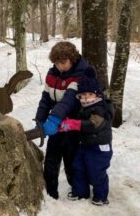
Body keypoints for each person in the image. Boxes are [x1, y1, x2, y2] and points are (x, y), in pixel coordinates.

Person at [35, 41, 90, 199]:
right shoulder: (52, 75)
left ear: (72, 59)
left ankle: (79, 191)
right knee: (51, 157)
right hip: (57, 122)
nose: (60, 66)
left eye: (63, 62)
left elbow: (69, 100)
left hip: (73, 123)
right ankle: (50, 193)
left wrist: (53, 119)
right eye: (56, 63)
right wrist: (40, 119)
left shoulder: (81, 74)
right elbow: (46, 99)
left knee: (71, 159)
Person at [59, 67, 113, 206]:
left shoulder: (101, 108)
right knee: (78, 168)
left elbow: (94, 124)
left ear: (97, 95)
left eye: (90, 94)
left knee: (96, 172)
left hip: (99, 149)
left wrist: (74, 124)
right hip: (85, 146)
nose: (86, 97)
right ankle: (81, 191)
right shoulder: (84, 108)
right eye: (83, 95)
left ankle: (101, 196)